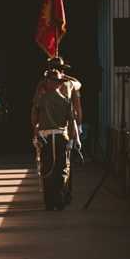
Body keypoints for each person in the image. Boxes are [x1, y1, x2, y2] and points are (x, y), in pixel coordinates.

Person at [31, 57, 82, 211]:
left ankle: (50, 200)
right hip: (64, 132)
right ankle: (63, 196)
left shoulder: (42, 85)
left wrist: (36, 132)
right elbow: (76, 110)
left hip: (46, 133)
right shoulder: (70, 84)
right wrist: (76, 133)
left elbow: (35, 112)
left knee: (47, 167)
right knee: (64, 167)